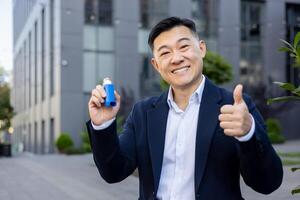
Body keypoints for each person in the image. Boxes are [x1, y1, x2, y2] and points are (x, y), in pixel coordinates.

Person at [86, 17, 283, 200]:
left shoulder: (235, 107)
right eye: (165, 52)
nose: (176, 58)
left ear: (202, 48)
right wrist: (103, 126)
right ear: (156, 65)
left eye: (184, 46)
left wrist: (248, 134)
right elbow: (113, 172)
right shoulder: (143, 113)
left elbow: (267, 183)